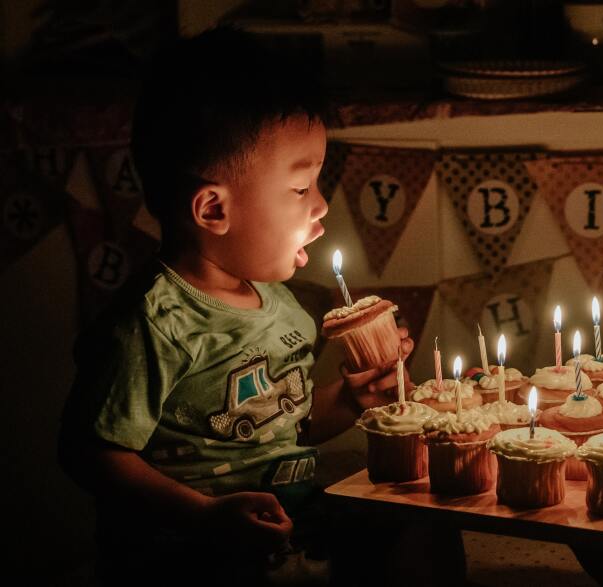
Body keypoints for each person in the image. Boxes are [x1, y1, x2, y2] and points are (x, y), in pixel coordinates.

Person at [57, 27, 465, 586]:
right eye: (301, 189)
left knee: (426, 521)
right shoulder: (154, 325)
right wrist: (202, 515)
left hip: (289, 523)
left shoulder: (277, 302)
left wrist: (349, 397)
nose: (321, 205)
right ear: (213, 209)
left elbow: (282, 423)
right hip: (187, 549)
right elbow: (91, 453)